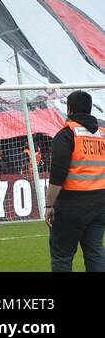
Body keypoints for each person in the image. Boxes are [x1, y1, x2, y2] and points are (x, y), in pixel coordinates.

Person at [46, 90, 105, 272]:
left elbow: (58, 174)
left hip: (71, 205)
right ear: (89, 109)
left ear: (69, 109)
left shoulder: (66, 135)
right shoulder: (102, 134)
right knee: (95, 252)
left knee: (62, 257)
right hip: (100, 203)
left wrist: (49, 205)